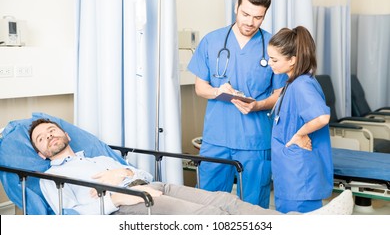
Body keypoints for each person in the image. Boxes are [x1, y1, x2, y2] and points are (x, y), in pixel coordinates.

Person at [29, 118, 353, 215]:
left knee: (229, 202)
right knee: (212, 219)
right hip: (128, 203)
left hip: (148, 187)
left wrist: (125, 174)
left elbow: (137, 172)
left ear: (65, 133)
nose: (50, 136)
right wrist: (113, 194)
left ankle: (298, 223)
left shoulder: (96, 157)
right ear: (42, 154)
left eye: (51, 130)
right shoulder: (50, 176)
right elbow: (70, 213)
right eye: (42, 139)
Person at [187, 0, 288, 208]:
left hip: (255, 140)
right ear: (236, 7)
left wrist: (259, 105)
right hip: (216, 138)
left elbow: (279, 94)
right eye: (245, 14)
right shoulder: (212, 41)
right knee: (206, 203)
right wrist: (218, 92)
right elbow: (200, 87)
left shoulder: (273, 46)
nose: (250, 22)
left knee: (253, 206)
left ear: (265, 15)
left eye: (258, 17)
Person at [267, 26, 333, 213]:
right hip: (291, 174)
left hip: (299, 177)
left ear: (292, 60)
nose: (269, 63)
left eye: (274, 59)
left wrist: (299, 134)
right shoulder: (293, 83)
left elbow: (321, 117)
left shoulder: (301, 85)